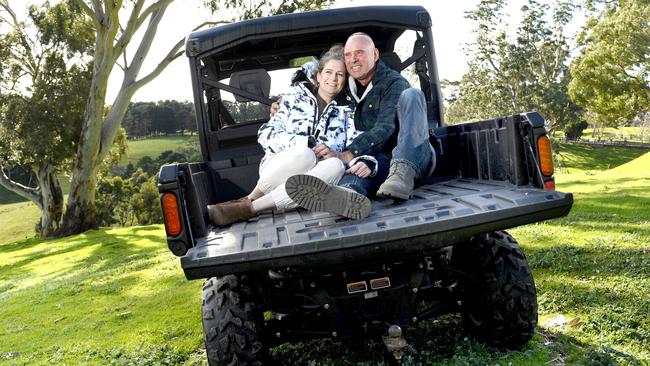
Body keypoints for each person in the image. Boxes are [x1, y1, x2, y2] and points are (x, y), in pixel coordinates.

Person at [207, 46, 376, 227]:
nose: (333, 79)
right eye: (328, 72)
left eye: (340, 75)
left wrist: (366, 162)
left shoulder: (349, 112)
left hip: (315, 175)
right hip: (280, 166)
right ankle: (251, 198)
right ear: (318, 76)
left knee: (335, 166)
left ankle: (249, 208)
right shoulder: (292, 99)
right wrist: (306, 143)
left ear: (345, 80)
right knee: (305, 154)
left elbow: (358, 144)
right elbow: (266, 134)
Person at [285, 32, 436, 216]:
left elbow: (386, 128)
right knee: (358, 171)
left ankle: (402, 174)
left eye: (359, 53)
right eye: (348, 55)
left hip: (409, 155)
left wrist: (349, 154)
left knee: (412, 95)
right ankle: (346, 197)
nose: (353, 59)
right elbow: (315, 74)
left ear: (375, 55)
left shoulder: (393, 83)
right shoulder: (346, 85)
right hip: (374, 158)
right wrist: (284, 102)